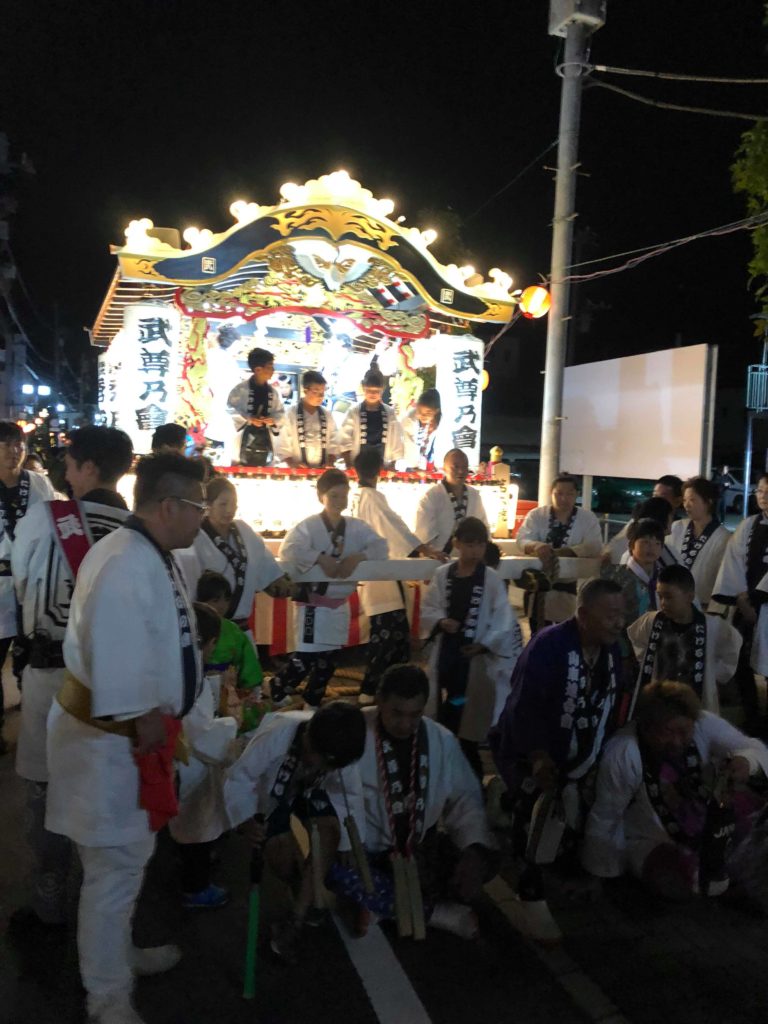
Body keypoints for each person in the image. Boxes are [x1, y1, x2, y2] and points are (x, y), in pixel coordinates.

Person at [45, 453, 207, 1024]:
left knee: (127, 861)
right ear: (169, 506)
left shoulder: (146, 554)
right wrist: (149, 728)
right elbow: (119, 668)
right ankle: (106, 997)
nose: (202, 518)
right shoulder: (124, 562)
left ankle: (116, 956)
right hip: (108, 742)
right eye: (198, 506)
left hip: (126, 741)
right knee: (112, 870)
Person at [11, 426, 134, 932]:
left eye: (70, 463)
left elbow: (21, 581)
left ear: (87, 468)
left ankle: (49, 902)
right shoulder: (137, 530)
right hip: (115, 685)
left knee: (47, 791)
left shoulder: (49, 519)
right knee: (102, 793)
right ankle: (100, 916)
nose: (64, 472)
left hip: (51, 676)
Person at [489, 578, 627, 942]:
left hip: (578, 755)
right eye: (610, 615)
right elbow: (524, 707)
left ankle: (505, 801)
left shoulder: (612, 651)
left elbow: (611, 705)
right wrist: (537, 758)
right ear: (582, 615)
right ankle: (528, 892)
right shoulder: (549, 646)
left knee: (576, 816)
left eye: (621, 614)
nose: (618, 622)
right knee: (536, 816)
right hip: (531, 752)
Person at [330, 664, 498, 940]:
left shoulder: (440, 739)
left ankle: (381, 905)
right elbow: (333, 793)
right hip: (368, 852)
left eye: (415, 714)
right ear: (379, 701)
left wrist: (472, 851)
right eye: (397, 713)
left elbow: (465, 798)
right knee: (332, 867)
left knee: (485, 857)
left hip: (418, 848)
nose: (406, 724)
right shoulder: (354, 731)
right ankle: (434, 912)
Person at [582, 681, 768, 899]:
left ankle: (737, 878)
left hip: (710, 824)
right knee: (684, 876)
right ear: (647, 726)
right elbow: (606, 815)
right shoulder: (623, 753)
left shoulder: (703, 722)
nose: (677, 741)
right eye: (668, 732)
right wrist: (599, 875)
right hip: (653, 838)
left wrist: (746, 762)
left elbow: (752, 746)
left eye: (684, 731)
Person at [222, 702, 367, 961]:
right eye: (316, 755)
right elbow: (240, 778)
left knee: (329, 833)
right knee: (280, 852)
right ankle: (298, 881)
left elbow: (348, 797)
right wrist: (245, 820)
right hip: (272, 789)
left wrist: (346, 843)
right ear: (308, 736)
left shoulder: (342, 751)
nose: (318, 762)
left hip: (312, 788)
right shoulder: (277, 736)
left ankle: (297, 918)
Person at [270, 468, 388, 707]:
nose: (339, 501)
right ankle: (277, 687)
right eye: (333, 495)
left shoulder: (357, 527)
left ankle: (313, 700)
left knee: (330, 659)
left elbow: (381, 547)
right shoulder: (309, 526)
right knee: (305, 657)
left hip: (338, 606)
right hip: (313, 605)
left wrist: (358, 557)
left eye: (343, 495)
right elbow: (289, 549)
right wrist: (319, 557)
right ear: (321, 496)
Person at [421, 516, 523, 777]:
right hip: (448, 651)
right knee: (449, 703)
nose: (474, 550)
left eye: (479, 545)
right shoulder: (442, 574)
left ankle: (461, 763)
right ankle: (451, 756)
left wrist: (483, 644)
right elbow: (429, 607)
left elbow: (502, 617)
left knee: (462, 710)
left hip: (474, 658)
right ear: (456, 544)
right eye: (469, 544)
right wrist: (441, 621)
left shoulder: (489, 578)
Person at [351, 447, 445, 706]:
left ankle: (382, 687)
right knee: (388, 633)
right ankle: (375, 689)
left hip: (372, 572)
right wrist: (422, 548)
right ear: (377, 471)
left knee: (389, 632)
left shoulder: (356, 496)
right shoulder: (371, 497)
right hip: (379, 573)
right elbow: (394, 527)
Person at [170, 601, 239, 910]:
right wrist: (232, 724)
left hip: (170, 756)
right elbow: (202, 735)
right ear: (210, 642)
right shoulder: (192, 673)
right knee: (195, 829)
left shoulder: (172, 660)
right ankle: (194, 888)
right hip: (187, 765)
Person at [0, 421, 55, 754]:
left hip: (34, 585)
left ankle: (35, 729)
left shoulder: (39, 484)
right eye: (5, 444)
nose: (13, 450)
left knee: (33, 660)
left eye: (17, 444)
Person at [176, 476, 290, 630]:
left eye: (233, 504)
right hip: (209, 629)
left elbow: (267, 569)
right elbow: (189, 584)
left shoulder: (245, 531)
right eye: (223, 504)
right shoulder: (195, 536)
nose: (229, 510)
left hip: (241, 628)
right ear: (208, 505)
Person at [626, 564, 741, 713]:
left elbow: (732, 648)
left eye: (669, 597)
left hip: (695, 702)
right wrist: (647, 661)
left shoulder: (712, 626)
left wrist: (711, 672)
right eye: (660, 596)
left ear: (689, 596)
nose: (663, 603)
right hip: (660, 700)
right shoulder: (652, 621)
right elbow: (636, 637)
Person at [712, 472, 768, 734]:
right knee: (741, 663)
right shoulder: (749, 525)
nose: (763, 497)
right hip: (745, 606)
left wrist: (756, 598)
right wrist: (743, 599)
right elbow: (733, 561)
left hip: (762, 606)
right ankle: (751, 715)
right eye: (760, 491)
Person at [516, 473, 602, 630]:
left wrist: (568, 551)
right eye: (559, 493)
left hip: (568, 588)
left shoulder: (587, 518)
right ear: (551, 493)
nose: (564, 498)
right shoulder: (537, 515)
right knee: (538, 633)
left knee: (565, 634)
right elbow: (522, 540)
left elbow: (595, 545)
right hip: (538, 587)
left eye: (570, 494)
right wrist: (536, 546)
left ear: (577, 494)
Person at [195, 570, 264, 716]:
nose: (221, 606)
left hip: (229, 691)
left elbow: (248, 664)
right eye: (215, 600)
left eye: (226, 600)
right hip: (198, 690)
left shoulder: (233, 631)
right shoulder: (193, 626)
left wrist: (251, 689)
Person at [668, 477, 730, 608]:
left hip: (704, 606)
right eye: (685, 500)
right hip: (673, 603)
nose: (686, 505)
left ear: (708, 502)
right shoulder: (677, 527)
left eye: (692, 500)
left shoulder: (724, 537)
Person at [414, 448, 489, 554]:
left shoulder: (474, 495)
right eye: (456, 467)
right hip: (437, 558)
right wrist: (432, 552)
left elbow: (483, 527)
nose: (461, 471)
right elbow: (424, 533)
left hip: (468, 558)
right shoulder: (432, 496)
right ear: (444, 468)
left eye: (464, 467)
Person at [226, 346, 285, 466]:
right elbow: (230, 410)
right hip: (243, 439)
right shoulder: (240, 389)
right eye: (269, 367)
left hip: (266, 439)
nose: (273, 370)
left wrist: (272, 421)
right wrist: (249, 418)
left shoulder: (273, 392)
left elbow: (281, 414)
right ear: (258, 369)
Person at [339, 367, 405, 469]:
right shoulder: (354, 412)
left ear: (382, 391)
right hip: (357, 465)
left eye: (376, 391)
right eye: (369, 390)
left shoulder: (390, 413)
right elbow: (344, 438)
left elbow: (396, 439)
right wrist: (348, 463)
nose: (372, 394)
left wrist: (393, 464)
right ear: (364, 390)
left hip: (382, 464)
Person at [603, 518, 666, 623]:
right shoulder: (615, 577)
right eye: (646, 542)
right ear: (631, 545)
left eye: (657, 543)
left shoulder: (665, 578)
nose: (652, 548)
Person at [273, 369, 340, 468]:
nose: (321, 396)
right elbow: (282, 443)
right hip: (297, 469)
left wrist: (331, 461)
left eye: (323, 392)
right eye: (316, 392)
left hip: (323, 469)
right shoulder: (290, 414)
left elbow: (334, 440)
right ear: (305, 391)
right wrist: (292, 463)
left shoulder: (327, 414)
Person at [399, 388, 447, 471]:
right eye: (419, 411)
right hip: (410, 465)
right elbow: (409, 447)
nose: (423, 416)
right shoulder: (409, 420)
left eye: (428, 413)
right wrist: (415, 467)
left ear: (436, 411)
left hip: (434, 465)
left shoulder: (443, 423)